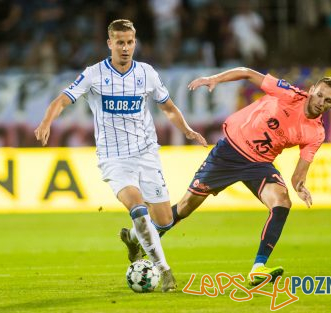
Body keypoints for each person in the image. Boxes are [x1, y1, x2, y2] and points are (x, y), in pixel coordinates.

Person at [121, 67, 331, 286]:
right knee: (185, 207)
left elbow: (298, 176)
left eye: (328, 100)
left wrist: (300, 186)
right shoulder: (288, 93)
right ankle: (135, 236)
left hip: (259, 164)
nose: (321, 101)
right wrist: (215, 79)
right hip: (229, 152)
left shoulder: (316, 133)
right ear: (312, 89)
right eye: (320, 94)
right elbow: (247, 72)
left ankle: (258, 268)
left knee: (282, 202)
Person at [34, 19, 207, 293]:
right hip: (114, 159)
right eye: (120, 43)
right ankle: (165, 272)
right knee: (138, 210)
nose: (125, 48)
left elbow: (169, 108)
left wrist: (187, 130)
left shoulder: (147, 73)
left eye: (130, 42)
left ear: (135, 42)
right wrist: (46, 122)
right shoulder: (94, 74)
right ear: (110, 43)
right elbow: (62, 100)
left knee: (164, 220)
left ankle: (137, 242)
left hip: (147, 153)